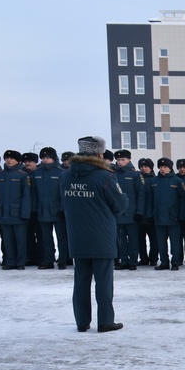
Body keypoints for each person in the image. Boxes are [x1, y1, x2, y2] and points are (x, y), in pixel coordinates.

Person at [60, 136, 126, 333]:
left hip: (76, 235)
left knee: (80, 281)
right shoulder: (105, 176)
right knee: (103, 282)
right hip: (101, 237)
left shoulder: (65, 176)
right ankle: (105, 321)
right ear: (99, 154)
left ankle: (81, 321)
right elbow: (120, 205)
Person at [0, 149, 32, 270]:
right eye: (7, 158)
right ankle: (9, 261)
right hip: (3, 213)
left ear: (17, 161)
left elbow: (26, 196)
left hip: (18, 213)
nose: (9, 160)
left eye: (11, 158)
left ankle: (20, 262)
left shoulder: (23, 175)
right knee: (7, 239)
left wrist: (25, 213)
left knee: (20, 240)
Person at [147, 157, 185, 270]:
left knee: (175, 242)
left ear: (170, 168)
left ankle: (175, 262)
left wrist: (181, 215)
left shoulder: (177, 181)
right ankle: (164, 262)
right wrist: (150, 214)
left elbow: (184, 199)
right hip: (158, 217)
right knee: (161, 242)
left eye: (165, 167)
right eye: (161, 167)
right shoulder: (153, 181)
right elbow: (149, 199)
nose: (163, 169)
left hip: (173, 217)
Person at [31, 147, 69, 269]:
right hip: (42, 210)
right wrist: (34, 209)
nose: (45, 160)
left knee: (61, 237)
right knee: (45, 237)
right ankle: (48, 260)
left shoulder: (61, 172)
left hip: (57, 210)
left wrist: (63, 209)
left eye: (48, 158)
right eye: (43, 158)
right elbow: (33, 193)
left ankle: (63, 259)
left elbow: (64, 193)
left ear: (53, 158)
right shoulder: (36, 173)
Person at [112, 149, 144, 270]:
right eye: (118, 160)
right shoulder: (113, 174)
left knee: (133, 238)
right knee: (121, 239)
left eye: (123, 160)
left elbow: (141, 195)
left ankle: (133, 261)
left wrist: (140, 212)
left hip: (132, 212)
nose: (120, 162)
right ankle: (124, 260)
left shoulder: (136, 175)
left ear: (129, 160)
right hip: (118, 213)